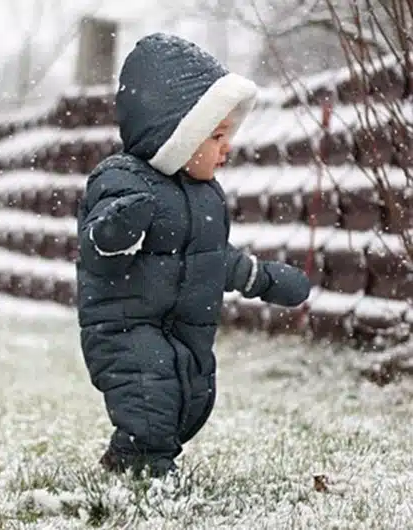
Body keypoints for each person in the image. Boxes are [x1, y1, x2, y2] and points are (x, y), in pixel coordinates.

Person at [76, 33, 311, 477]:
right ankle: (146, 470)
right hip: (125, 325)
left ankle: (129, 457)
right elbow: (98, 252)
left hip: (183, 326)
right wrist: (119, 227)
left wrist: (262, 278)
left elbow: (211, 259)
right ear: (176, 135)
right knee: (150, 393)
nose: (227, 148)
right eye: (217, 135)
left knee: (191, 396)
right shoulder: (121, 181)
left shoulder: (205, 197)